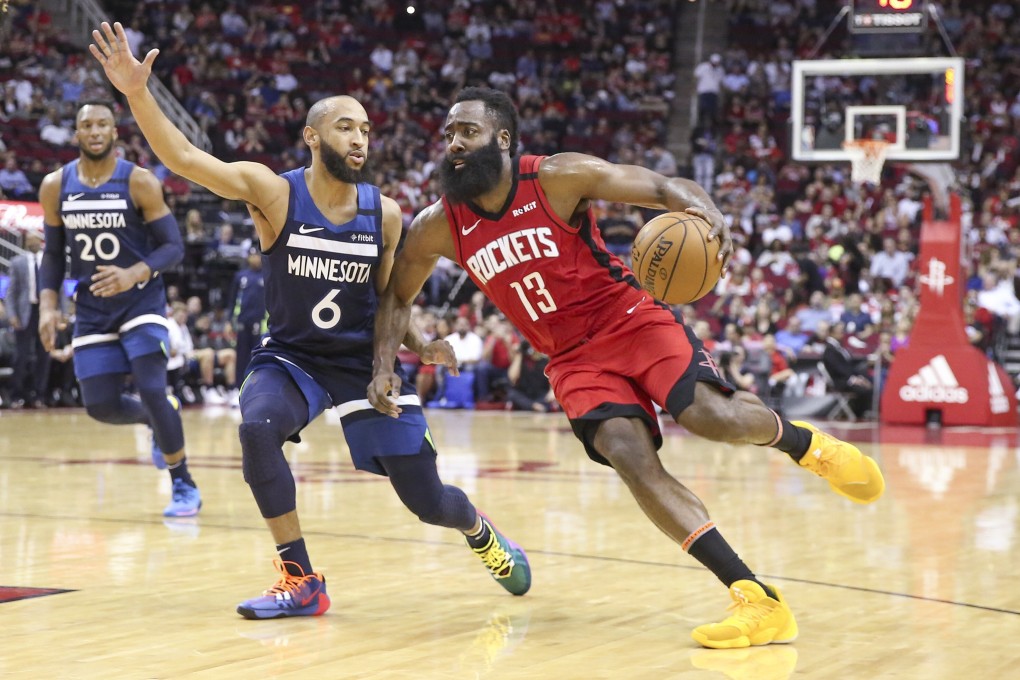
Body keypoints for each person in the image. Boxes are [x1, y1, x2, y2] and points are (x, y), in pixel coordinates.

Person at [369, 87, 886, 650]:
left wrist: (706, 213)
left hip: (629, 319)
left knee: (711, 416)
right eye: (448, 134)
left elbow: (664, 189)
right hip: (568, 358)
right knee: (629, 457)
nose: (454, 144)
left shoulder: (557, 177)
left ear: (502, 139)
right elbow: (397, 296)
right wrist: (388, 363)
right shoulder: (438, 225)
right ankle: (754, 596)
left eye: (467, 131)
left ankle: (808, 446)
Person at [90, 21, 529, 619]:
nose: (360, 138)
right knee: (257, 427)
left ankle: (479, 530)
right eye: (345, 125)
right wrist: (137, 94)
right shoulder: (272, 192)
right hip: (292, 357)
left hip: (357, 364)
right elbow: (186, 157)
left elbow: (387, 302)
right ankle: (301, 579)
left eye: (366, 129)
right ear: (311, 136)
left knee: (428, 503)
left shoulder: (388, 213)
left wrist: (421, 346)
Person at [36, 98, 202, 518]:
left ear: (115, 133)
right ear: (76, 134)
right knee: (101, 406)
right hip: (92, 307)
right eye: (86, 125)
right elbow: (54, 255)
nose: (94, 131)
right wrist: (47, 307)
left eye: (102, 125)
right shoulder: (56, 186)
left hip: (141, 301)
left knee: (150, 386)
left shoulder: (139, 181)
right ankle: (154, 419)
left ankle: (183, 483)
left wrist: (134, 273)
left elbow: (173, 247)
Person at [4, 230, 49, 408]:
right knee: (20, 357)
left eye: (35, 239)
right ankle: (16, 395)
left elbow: (58, 288)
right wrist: (12, 314)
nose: (32, 242)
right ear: (24, 242)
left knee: (43, 356)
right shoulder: (17, 262)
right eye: (29, 239)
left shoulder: (48, 260)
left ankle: (39, 395)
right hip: (25, 313)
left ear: (41, 240)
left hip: (44, 312)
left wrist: (60, 312)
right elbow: (11, 291)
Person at [229, 246, 266, 380]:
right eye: (252, 256)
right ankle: (237, 387)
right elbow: (232, 299)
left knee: (257, 355)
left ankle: (255, 384)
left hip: (260, 322)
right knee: (241, 355)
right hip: (242, 322)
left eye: (256, 255)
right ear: (248, 258)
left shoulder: (266, 275)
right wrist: (229, 321)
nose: (254, 258)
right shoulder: (240, 276)